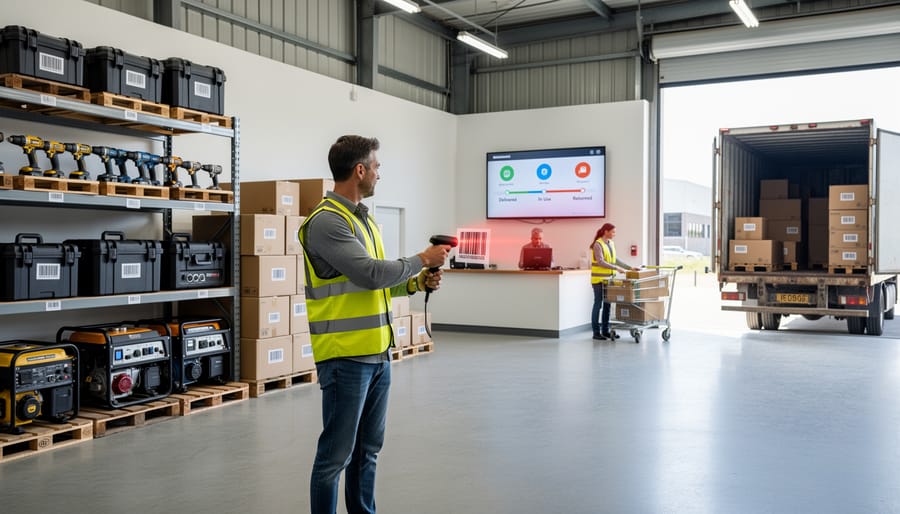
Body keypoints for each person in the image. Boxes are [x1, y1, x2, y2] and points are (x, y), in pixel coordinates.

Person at [299, 135, 450, 514]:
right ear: (360, 170)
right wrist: (422, 258)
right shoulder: (327, 221)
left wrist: (415, 283)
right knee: (335, 457)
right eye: (376, 166)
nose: (379, 173)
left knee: (368, 450)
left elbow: (374, 283)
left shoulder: (362, 220)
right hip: (345, 357)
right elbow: (370, 273)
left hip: (378, 354)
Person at [590, 222, 635, 340]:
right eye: (613, 232)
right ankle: (596, 332)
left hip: (609, 280)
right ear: (606, 231)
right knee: (598, 304)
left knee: (607, 305)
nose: (614, 234)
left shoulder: (611, 243)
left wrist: (629, 267)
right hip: (598, 280)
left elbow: (615, 259)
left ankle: (605, 331)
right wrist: (616, 268)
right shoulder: (597, 244)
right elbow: (600, 262)